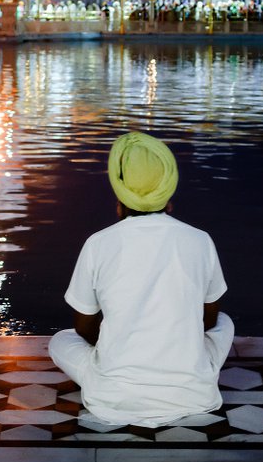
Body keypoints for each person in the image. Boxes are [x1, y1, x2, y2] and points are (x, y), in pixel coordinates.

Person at [49, 131, 234, 428]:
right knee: (226, 323)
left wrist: (120, 344)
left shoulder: (99, 243)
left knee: (61, 341)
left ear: (119, 199)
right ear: (168, 196)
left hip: (113, 396)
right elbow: (209, 321)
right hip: (192, 394)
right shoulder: (200, 240)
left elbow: (82, 328)